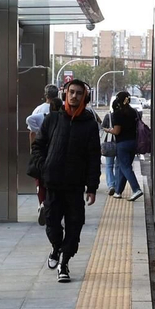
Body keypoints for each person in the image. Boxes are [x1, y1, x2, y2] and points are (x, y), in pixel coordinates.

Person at [29, 78, 100, 282]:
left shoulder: (89, 124)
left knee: (75, 225)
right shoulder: (52, 119)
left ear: (84, 97)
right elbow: (38, 146)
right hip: (52, 183)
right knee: (52, 223)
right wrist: (45, 166)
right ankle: (56, 248)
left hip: (75, 186)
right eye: (71, 92)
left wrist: (92, 187)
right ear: (65, 94)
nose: (75, 96)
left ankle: (64, 262)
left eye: (79, 93)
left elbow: (94, 157)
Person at [25, 85, 62, 224]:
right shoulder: (62, 108)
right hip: (57, 151)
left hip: (42, 151)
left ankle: (42, 204)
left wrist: (32, 149)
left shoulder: (39, 110)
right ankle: (51, 205)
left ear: (45, 95)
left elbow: (32, 132)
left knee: (40, 179)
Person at [109, 90, 144, 201]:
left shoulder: (118, 113)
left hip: (122, 144)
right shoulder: (133, 112)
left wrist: (108, 130)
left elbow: (117, 131)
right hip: (133, 142)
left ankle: (136, 189)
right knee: (122, 167)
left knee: (125, 167)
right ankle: (118, 191)